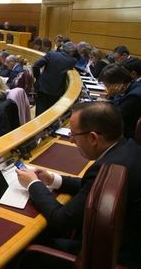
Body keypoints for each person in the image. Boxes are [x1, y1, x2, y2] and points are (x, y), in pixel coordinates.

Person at [15, 102, 141, 266]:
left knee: (27, 249)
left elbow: (61, 219)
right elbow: (92, 186)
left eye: (74, 135)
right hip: (129, 243)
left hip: (117, 258)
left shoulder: (106, 167)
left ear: (93, 138)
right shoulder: (128, 148)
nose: (72, 140)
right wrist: (52, 179)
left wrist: (33, 184)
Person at [32, 42, 77, 117]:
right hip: (56, 91)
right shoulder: (72, 61)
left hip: (42, 87)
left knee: (40, 112)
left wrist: (38, 78)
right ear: (71, 52)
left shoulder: (51, 54)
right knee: (51, 113)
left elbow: (36, 65)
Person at [98, 64, 141, 138]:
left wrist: (113, 95)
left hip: (126, 135)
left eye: (107, 86)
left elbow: (116, 116)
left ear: (118, 83)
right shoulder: (129, 85)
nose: (107, 89)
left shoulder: (134, 96)